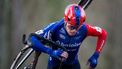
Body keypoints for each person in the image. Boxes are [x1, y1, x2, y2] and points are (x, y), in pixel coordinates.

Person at [28, 4, 107, 69]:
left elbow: (103, 33)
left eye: (77, 27)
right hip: (55, 65)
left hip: (73, 64)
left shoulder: (84, 28)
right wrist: (51, 52)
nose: (74, 31)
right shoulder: (55, 27)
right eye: (71, 27)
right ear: (65, 21)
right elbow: (31, 39)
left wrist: (96, 55)